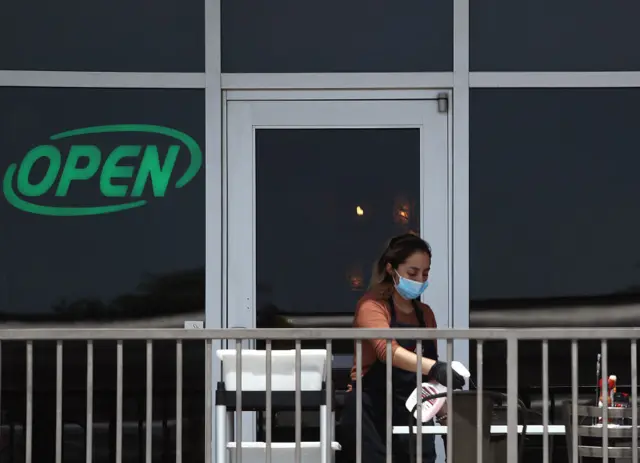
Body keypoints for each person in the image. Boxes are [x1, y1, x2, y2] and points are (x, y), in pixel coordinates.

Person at [337, 233, 465, 463]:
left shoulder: (425, 315)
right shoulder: (371, 306)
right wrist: (436, 368)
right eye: (412, 273)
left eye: (425, 273)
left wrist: (447, 419)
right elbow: (387, 350)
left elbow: (430, 376)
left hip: (416, 411)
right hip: (370, 413)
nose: (419, 279)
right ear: (391, 269)